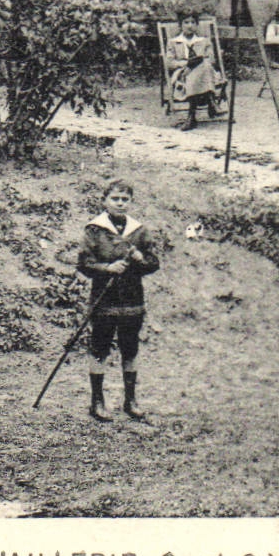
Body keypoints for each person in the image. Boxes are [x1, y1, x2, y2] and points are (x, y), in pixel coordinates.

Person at [76, 180, 160, 421]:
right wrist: (108, 268)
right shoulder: (94, 229)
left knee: (130, 349)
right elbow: (84, 263)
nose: (120, 203)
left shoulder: (140, 230)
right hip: (105, 300)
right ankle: (97, 401)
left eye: (125, 199)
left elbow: (153, 264)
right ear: (105, 201)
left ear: (131, 202)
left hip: (133, 300)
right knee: (100, 348)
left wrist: (139, 257)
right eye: (115, 199)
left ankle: (130, 400)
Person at [165, 14, 224, 131]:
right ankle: (211, 101)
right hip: (183, 73)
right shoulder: (173, 42)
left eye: (193, 22)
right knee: (199, 69)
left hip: (205, 72)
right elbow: (170, 63)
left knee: (204, 66)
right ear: (180, 25)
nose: (190, 25)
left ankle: (191, 117)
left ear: (197, 25)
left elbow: (211, 59)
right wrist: (187, 65)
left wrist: (195, 65)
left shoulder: (204, 41)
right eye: (186, 22)